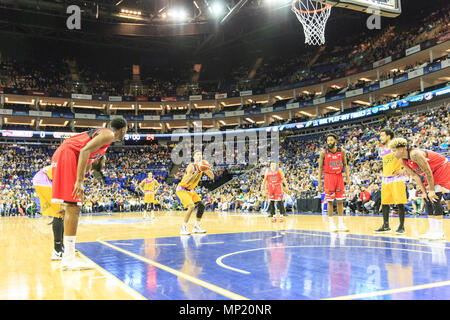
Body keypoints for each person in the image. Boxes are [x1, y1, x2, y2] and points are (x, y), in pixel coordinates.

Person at [51, 116, 127, 270]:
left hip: (66, 155)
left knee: (74, 206)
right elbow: (84, 150)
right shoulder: (109, 134)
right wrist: (79, 181)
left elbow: (86, 161)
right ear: (123, 130)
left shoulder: (104, 142)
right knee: (74, 207)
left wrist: (82, 180)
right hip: (68, 155)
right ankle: (68, 259)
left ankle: (68, 256)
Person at [32, 157, 106, 261]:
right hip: (45, 178)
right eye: (103, 161)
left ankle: (62, 247)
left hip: (50, 179)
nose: (104, 163)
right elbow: (69, 181)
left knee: (63, 213)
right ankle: (57, 251)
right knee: (59, 212)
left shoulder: (87, 169)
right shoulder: (84, 164)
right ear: (97, 160)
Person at [390, 138, 450, 240]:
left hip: (441, 167)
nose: (393, 153)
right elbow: (414, 175)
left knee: (435, 197)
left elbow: (427, 171)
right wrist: (424, 192)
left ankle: (440, 232)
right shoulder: (401, 160)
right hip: (431, 173)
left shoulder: (415, 154)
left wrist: (431, 190)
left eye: (394, 150)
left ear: (401, 149)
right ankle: (432, 231)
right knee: (426, 199)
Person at [374, 129, 408, 234]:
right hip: (386, 179)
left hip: (397, 178)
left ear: (388, 136)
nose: (380, 138)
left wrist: (403, 170)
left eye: (382, 136)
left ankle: (402, 226)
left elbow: (408, 158)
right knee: (385, 202)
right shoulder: (383, 149)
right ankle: (386, 225)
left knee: (400, 202)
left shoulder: (397, 147)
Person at [176, 151, 214, 236]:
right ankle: (183, 228)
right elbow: (187, 181)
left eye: (200, 154)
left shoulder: (202, 166)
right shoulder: (191, 166)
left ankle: (196, 226)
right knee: (191, 206)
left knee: (201, 206)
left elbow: (212, 177)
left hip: (191, 190)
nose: (199, 156)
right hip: (182, 189)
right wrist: (197, 172)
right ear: (194, 157)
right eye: (197, 155)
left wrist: (207, 168)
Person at [318, 133, 350, 232]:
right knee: (330, 201)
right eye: (328, 140)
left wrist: (348, 177)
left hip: (339, 177)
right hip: (328, 177)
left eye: (331, 140)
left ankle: (341, 224)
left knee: (340, 201)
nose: (329, 142)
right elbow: (320, 168)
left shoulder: (342, 151)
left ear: (335, 140)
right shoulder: (323, 153)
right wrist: (320, 182)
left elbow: (345, 165)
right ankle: (331, 224)